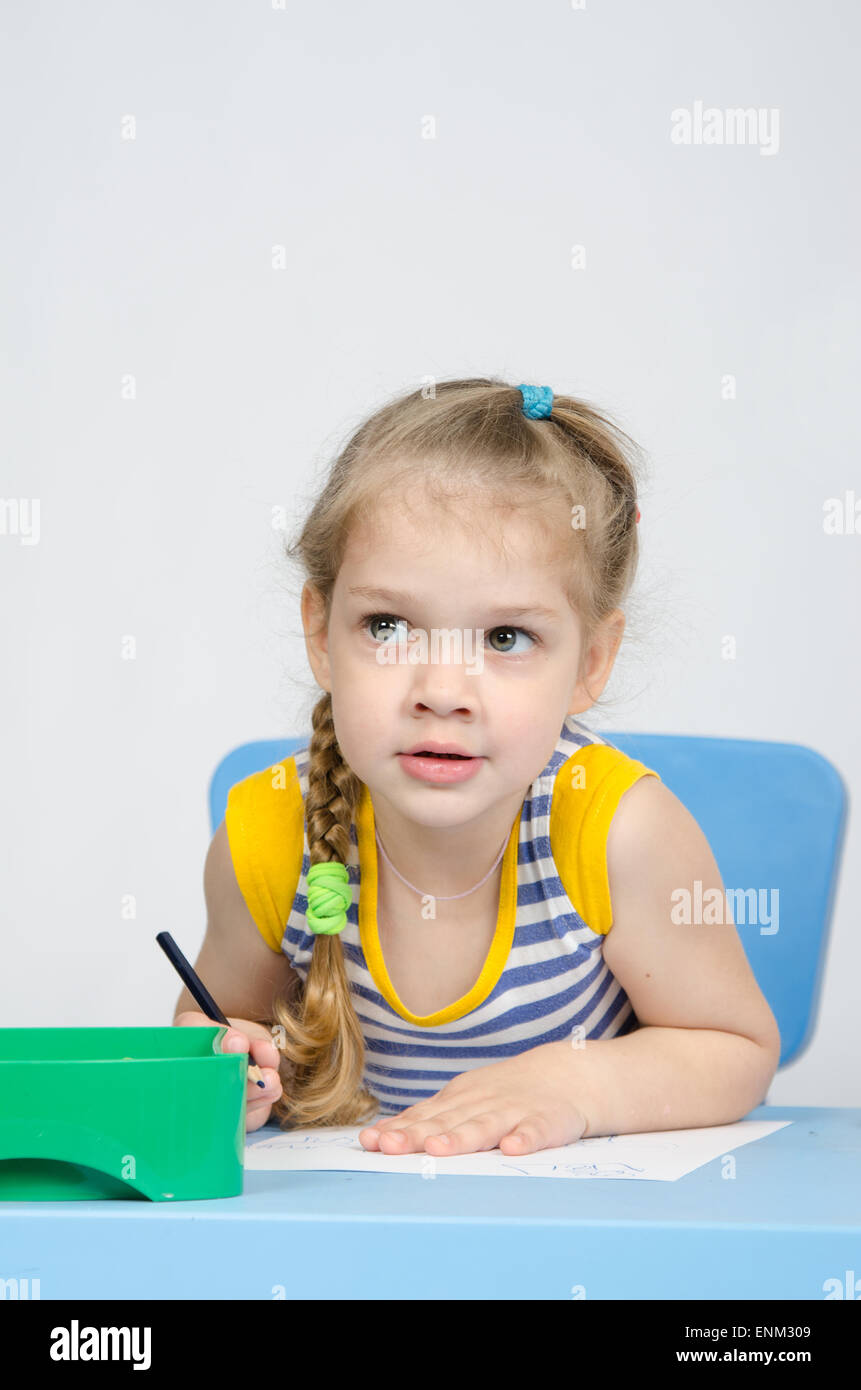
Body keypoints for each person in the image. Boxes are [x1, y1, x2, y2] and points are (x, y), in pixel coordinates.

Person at [174, 377, 781, 1158]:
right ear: (321, 633)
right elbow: (215, 1025)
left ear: (590, 662)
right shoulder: (270, 833)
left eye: (504, 639)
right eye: (388, 626)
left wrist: (573, 1085)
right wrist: (232, 1071)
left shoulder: (616, 830)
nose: (440, 692)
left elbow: (733, 1050)